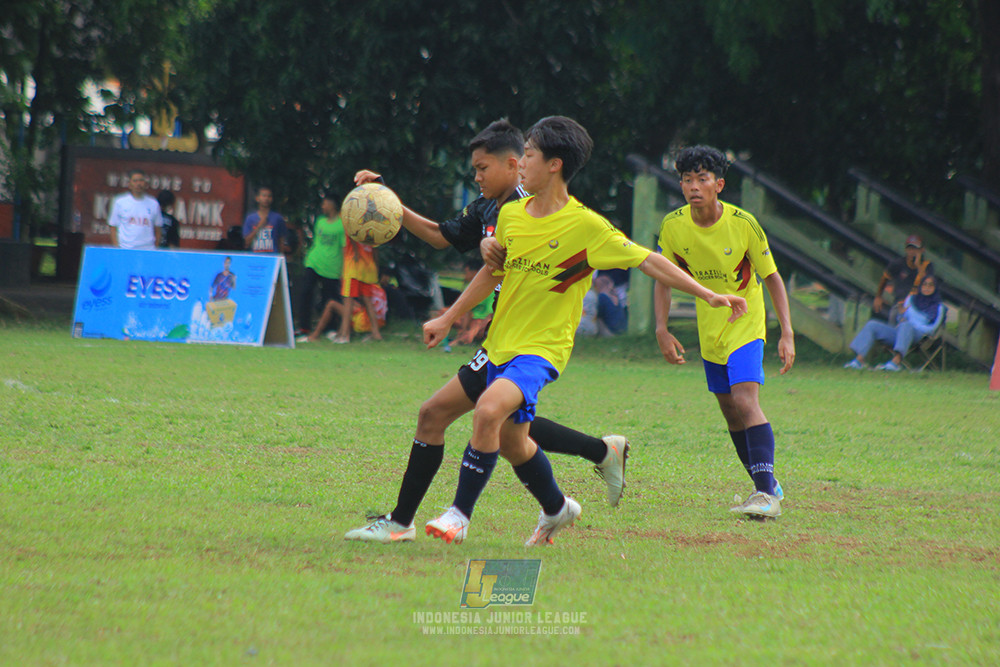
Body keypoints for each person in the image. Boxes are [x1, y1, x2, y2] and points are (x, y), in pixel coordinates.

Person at [420, 117, 746, 545]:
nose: (522, 166)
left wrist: (707, 294)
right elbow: (492, 271)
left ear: (554, 165)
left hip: (541, 349)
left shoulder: (587, 227)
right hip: (500, 343)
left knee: (486, 412)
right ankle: (558, 509)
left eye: (530, 156)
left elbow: (649, 261)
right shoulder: (512, 215)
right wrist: (448, 317)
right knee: (514, 442)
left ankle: (458, 515)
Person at [344, 119, 636, 545]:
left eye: (482, 168)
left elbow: (516, 256)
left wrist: (459, 304)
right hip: (502, 337)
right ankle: (570, 490)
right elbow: (440, 237)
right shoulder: (488, 207)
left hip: (528, 340)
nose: (476, 177)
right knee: (503, 430)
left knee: (484, 418)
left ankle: (437, 517)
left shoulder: (527, 204)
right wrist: (386, 201)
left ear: (515, 165)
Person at [654, 145, 794, 519]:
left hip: (746, 325)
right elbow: (663, 278)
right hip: (710, 331)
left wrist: (786, 333)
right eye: (687, 179)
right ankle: (766, 484)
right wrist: (662, 329)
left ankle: (766, 495)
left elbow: (773, 278)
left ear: (719, 184)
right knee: (731, 413)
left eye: (702, 179)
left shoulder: (743, 223)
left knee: (747, 402)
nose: (693, 187)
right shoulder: (673, 226)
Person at [844, 274, 945, 371]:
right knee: (872, 325)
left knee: (906, 325)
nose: (927, 288)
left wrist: (913, 325)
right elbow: (901, 316)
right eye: (924, 284)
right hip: (901, 332)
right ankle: (859, 361)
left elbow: (933, 328)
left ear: (935, 288)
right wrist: (900, 317)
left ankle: (895, 363)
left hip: (919, 335)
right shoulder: (912, 299)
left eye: (930, 285)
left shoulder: (939, 307)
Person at [296, 193, 346, 340]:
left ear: (332, 204)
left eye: (325, 203)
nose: (323, 207)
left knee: (329, 298)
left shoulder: (342, 224)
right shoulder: (320, 221)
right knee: (306, 291)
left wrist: (343, 270)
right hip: (314, 262)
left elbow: (344, 247)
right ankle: (304, 327)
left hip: (332, 266)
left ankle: (329, 329)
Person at [334, 234, 382, 343]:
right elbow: (375, 249)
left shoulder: (350, 220)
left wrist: (355, 252)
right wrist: (376, 267)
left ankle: (345, 335)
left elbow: (351, 236)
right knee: (368, 301)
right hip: (368, 267)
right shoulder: (372, 225)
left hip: (353, 266)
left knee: (348, 300)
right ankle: (376, 334)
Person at [873, 234, 934, 322]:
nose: (912, 252)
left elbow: (927, 283)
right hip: (900, 304)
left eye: (915, 249)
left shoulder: (927, 266)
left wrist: (918, 265)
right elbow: (884, 278)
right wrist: (878, 296)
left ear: (922, 250)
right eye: (910, 249)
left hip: (918, 307)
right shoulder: (898, 263)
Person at [108, 169, 162, 250]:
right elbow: (113, 227)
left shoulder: (153, 203)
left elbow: (158, 229)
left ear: (145, 184)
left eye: (141, 181)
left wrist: (154, 249)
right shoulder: (120, 202)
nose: (138, 184)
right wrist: (117, 249)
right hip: (126, 249)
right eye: (135, 181)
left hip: (147, 249)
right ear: (129, 184)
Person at [242, 186, 288, 254]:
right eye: (264, 196)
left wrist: (281, 256)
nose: (266, 199)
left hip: (272, 256)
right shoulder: (250, 218)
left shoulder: (277, 218)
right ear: (257, 198)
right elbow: (246, 242)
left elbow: (281, 239)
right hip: (255, 256)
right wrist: (259, 226)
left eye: (269, 196)